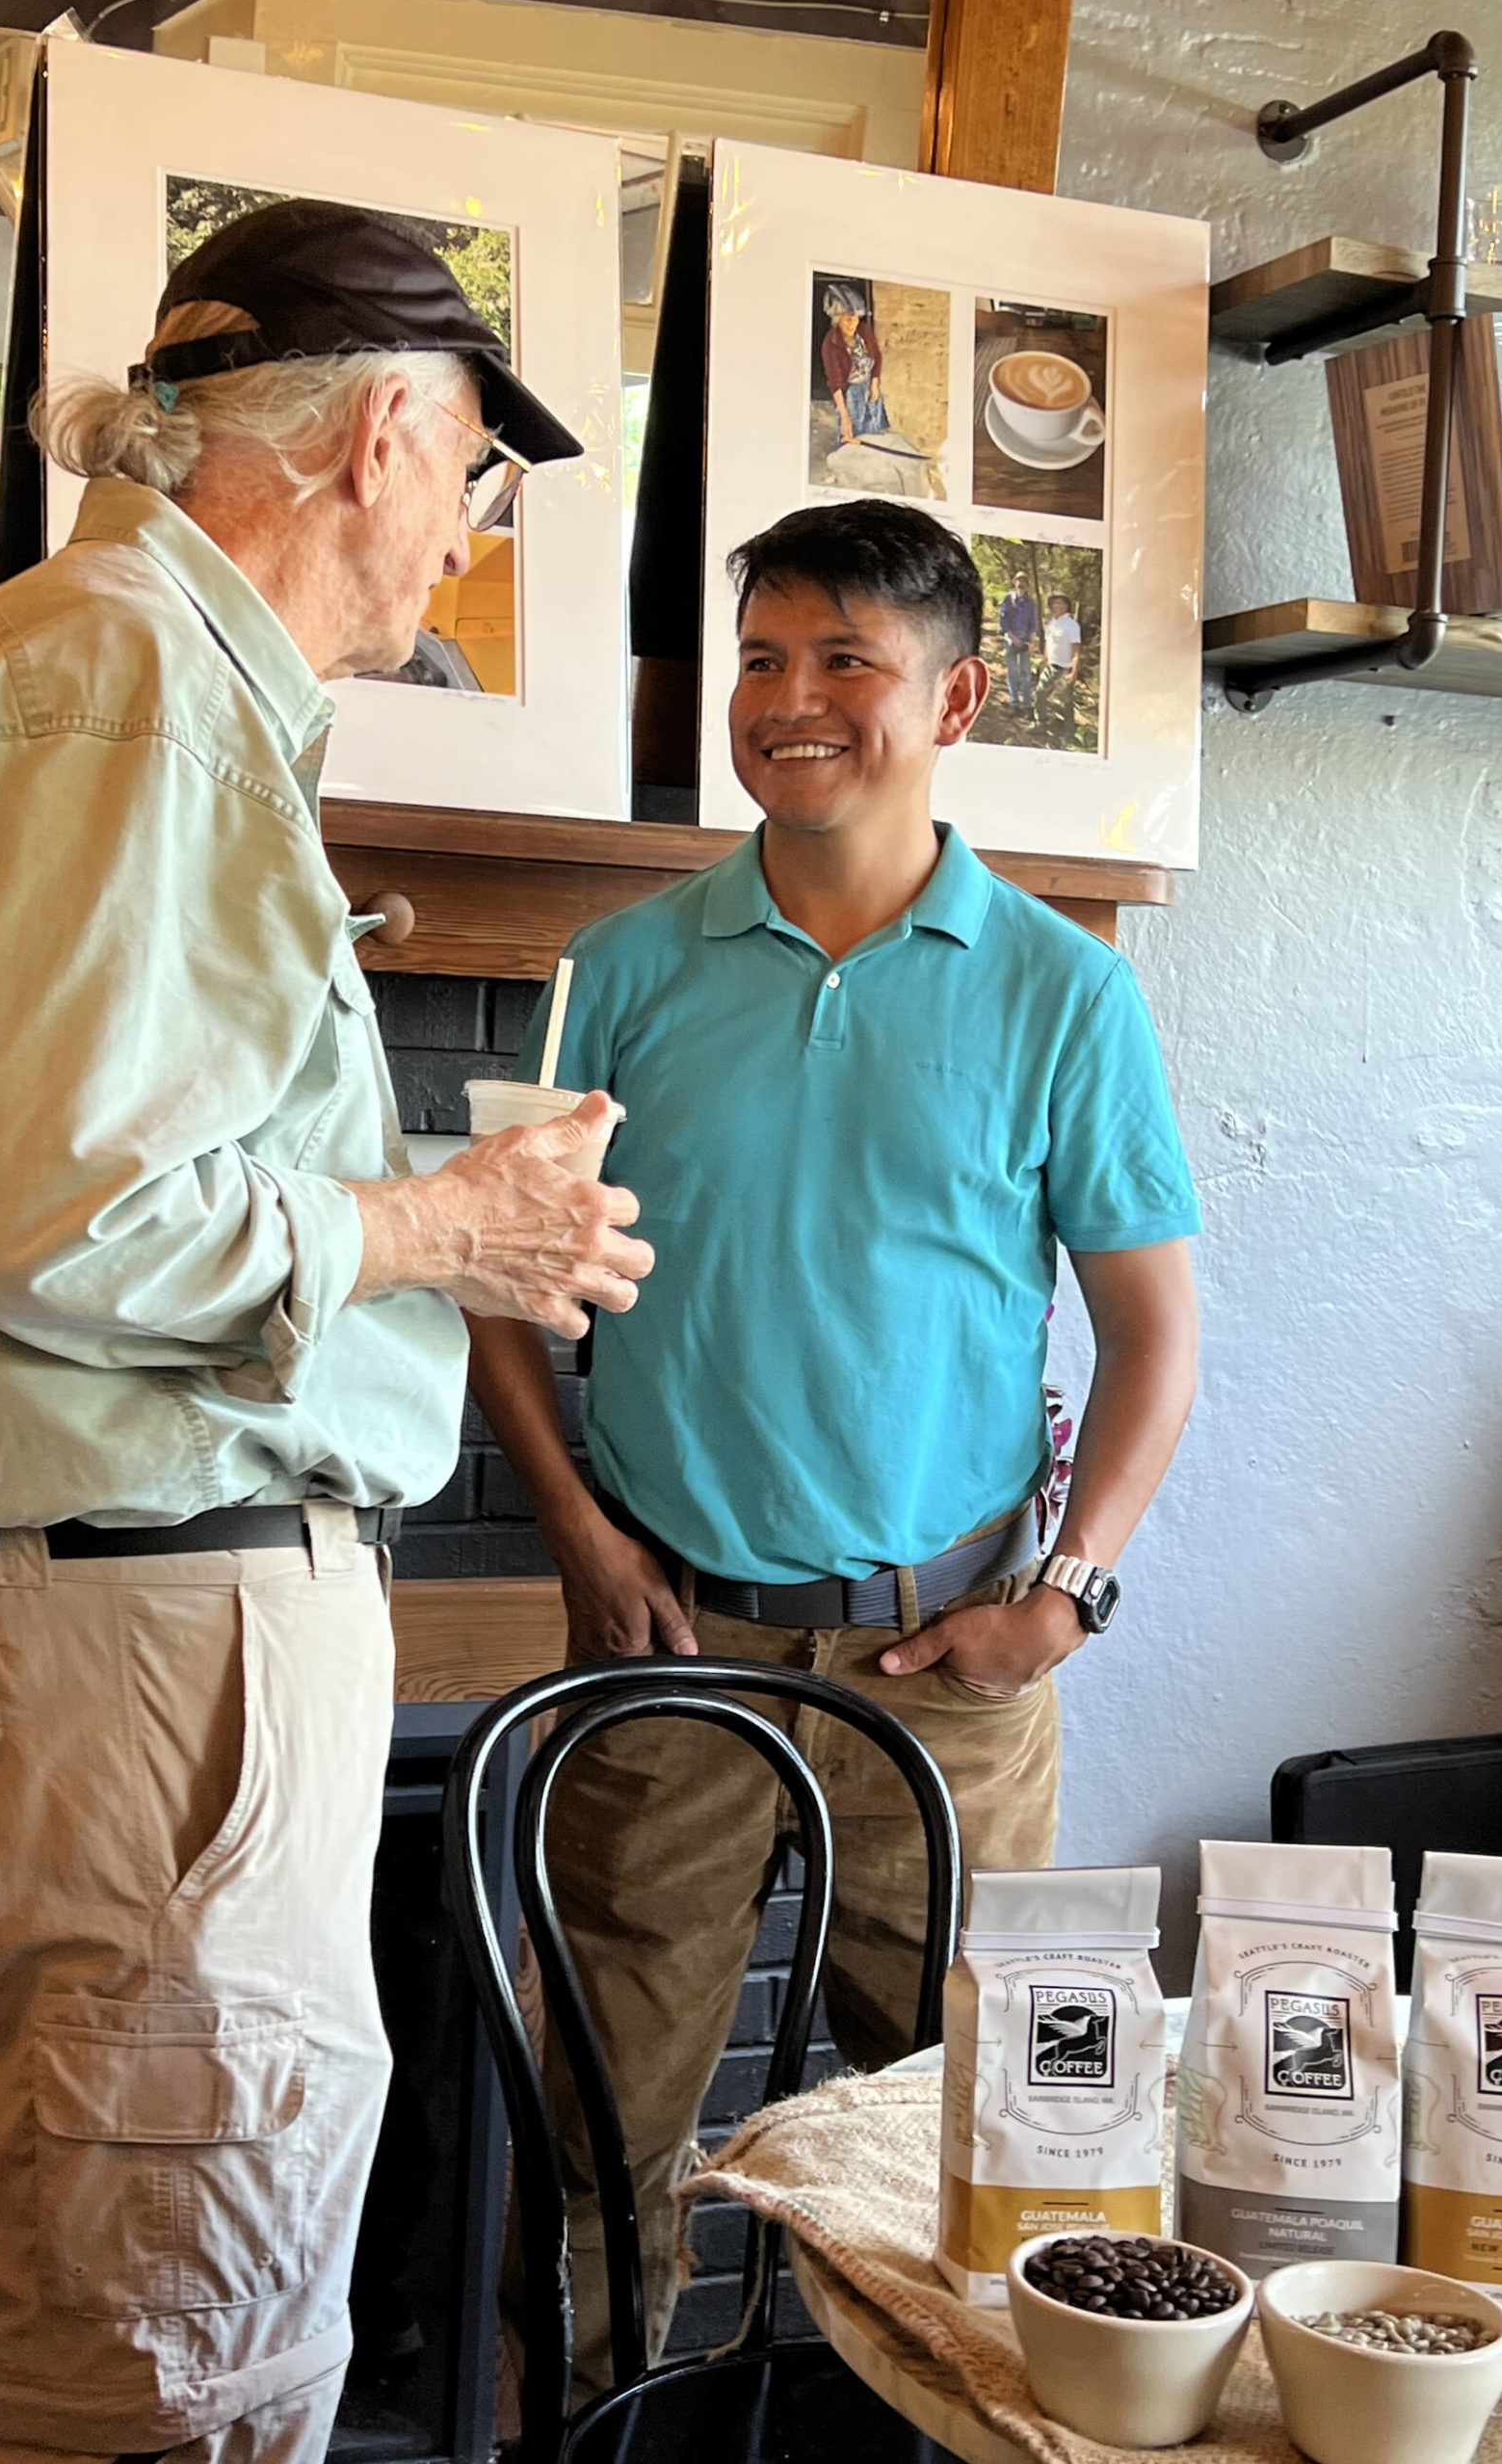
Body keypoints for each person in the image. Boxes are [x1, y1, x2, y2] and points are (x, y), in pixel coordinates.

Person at [0, 199, 653, 2464]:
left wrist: (440, 1234)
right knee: (169, 2368)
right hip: (148, 1671)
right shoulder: (136, 686)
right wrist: (437, 1221)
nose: (467, 536)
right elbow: (72, 1212)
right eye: (477, 474)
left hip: (75, 1645)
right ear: (381, 435)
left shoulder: (80, 664)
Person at [468, 497, 1200, 2397]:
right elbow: (497, 1282)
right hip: (667, 1647)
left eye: (844, 659)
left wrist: (1070, 1593)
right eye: (763, 658)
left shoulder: (1063, 990)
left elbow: (1153, 1333)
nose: (791, 699)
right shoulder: (619, 966)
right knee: (597, 2138)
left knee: (992, 2145)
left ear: (953, 697)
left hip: (951, 1667)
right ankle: (588, 2428)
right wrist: (580, 1538)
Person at [819, 281, 888, 450]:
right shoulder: (830, 344)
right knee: (852, 437)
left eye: (856, 318)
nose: (853, 324)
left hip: (869, 387)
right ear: (837, 319)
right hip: (852, 394)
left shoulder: (864, 332)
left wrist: (874, 383)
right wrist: (844, 414)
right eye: (848, 319)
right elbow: (835, 382)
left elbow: (877, 356)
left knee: (874, 434)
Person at [1037, 588, 1084, 744]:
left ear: (1067, 606)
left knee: (1066, 702)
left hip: (1065, 668)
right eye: (1055, 603)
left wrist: (1073, 673)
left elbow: (1076, 652)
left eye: (1062, 603)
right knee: (1040, 693)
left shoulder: (1072, 625)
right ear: (1051, 605)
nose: (1058, 605)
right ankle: (1041, 723)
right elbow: (1048, 644)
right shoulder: (1052, 622)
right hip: (1051, 666)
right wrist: (1044, 661)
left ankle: (1068, 734)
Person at [997, 570, 1041, 715]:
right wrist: (1013, 638)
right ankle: (1014, 702)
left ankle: (1027, 705)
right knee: (1012, 672)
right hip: (1011, 640)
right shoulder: (1008, 598)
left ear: (1027, 584)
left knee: (1025, 673)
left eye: (1024, 581)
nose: (1021, 583)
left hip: (1025, 641)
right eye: (1019, 580)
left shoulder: (1030, 603)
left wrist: (1031, 642)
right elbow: (1003, 620)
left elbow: (1033, 623)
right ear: (1014, 582)